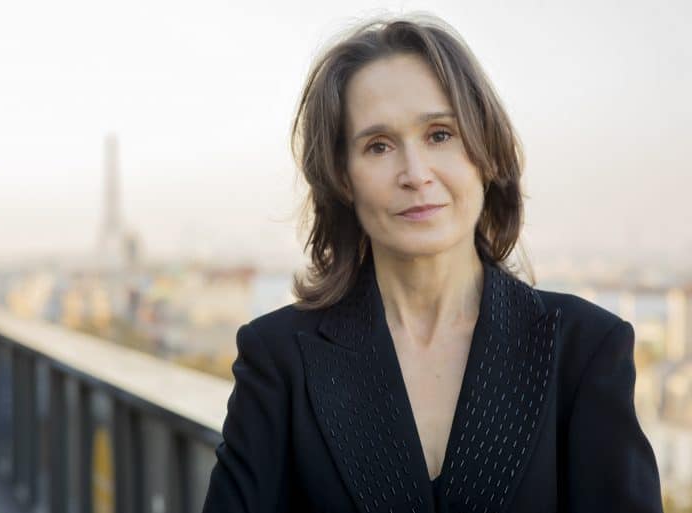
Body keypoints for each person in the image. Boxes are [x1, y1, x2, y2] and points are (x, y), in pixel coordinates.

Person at [201, 13, 664, 513]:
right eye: (378, 146)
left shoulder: (585, 349)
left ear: (485, 153)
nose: (416, 174)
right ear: (342, 177)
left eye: (440, 134)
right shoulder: (278, 358)